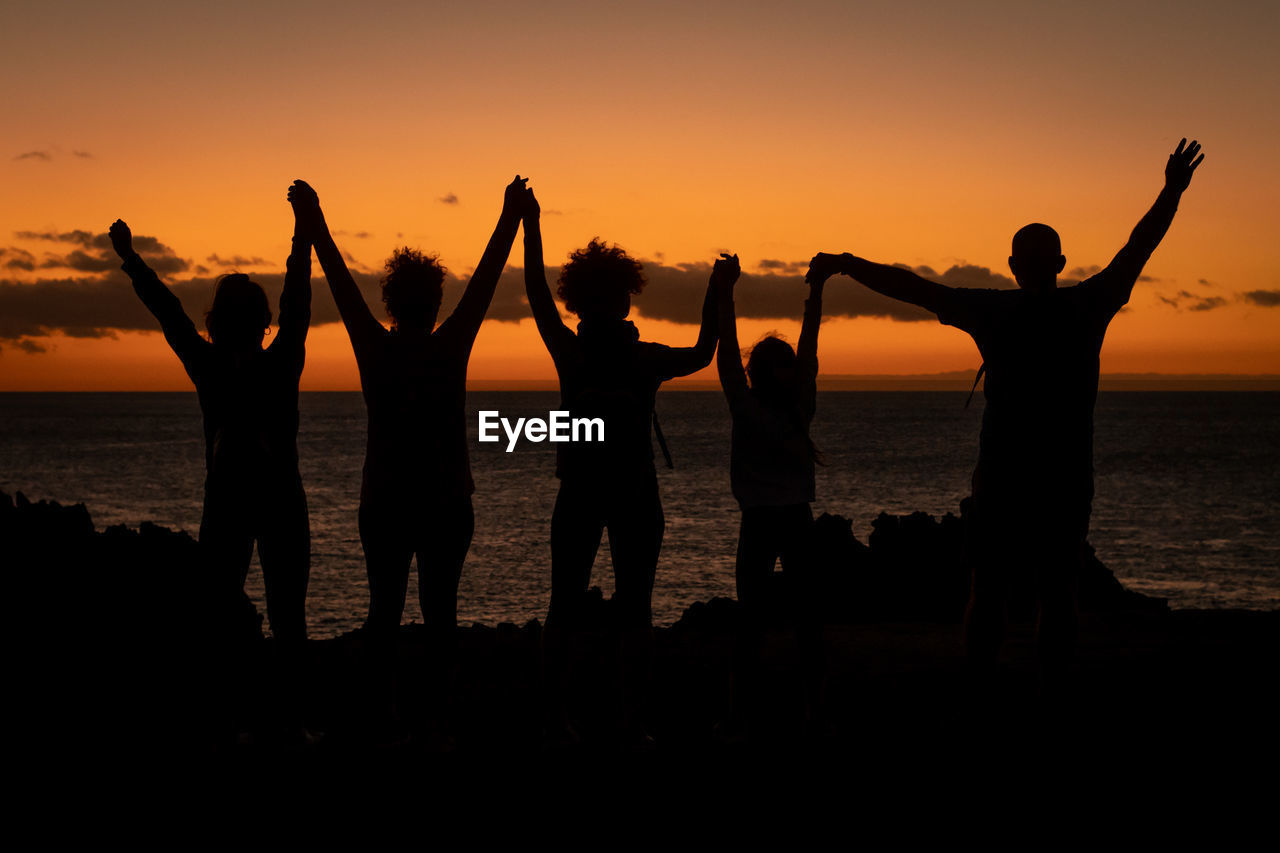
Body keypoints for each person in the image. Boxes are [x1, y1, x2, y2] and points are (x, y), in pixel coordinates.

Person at [809, 139, 1204, 691]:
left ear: (1014, 266)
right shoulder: (1088, 304)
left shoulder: (997, 310)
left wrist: (846, 265)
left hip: (1005, 477)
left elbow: (915, 289)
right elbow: (1138, 248)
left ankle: (979, 686)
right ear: (1060, 264)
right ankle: (1047, 689)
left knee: (990, 589)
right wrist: (1170, 192)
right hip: (1062, 476)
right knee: (1055, 590)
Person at [291, 176, 526, 737]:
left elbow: (342, 283)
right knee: (440, 615)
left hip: (387, 502)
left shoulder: (375, 346)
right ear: (436, 300)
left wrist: (314, 217)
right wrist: (511, 215)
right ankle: (436, 717)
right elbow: (488, 279)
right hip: (444, 501)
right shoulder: (450, 344)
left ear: (392, 301)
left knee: (384, 613)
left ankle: (382, 715)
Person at [109, 185, 313, 731]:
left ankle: (230, 723)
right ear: (260, 322)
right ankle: (281, 725)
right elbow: (297, 303)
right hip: (274, 502)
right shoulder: (277, 362)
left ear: (217, 323)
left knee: (223, 616)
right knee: (282, 618)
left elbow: (170, 313)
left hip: (231, 502)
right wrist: (303, 227)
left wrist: (132, 259)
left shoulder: (210, 364)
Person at [521, 185, 717, 746]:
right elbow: (704, 352)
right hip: (630, 492)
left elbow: (535, 293)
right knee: (634, 607)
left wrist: (531, 226)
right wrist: (716, 292)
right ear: (625, 300)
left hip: (586, 491)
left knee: (570, 603)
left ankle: (560, 718)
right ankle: (631, 722)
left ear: (578, 302)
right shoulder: (640, 355)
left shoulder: (575, 351)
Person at [715, 252, 826, 737]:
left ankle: (795, 713)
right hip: (776, 519)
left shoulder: (785, 404)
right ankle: (764, 713)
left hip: (774, 519)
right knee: (772, 621)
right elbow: (731, 351)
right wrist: (725, 292)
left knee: (778, 621)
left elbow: (807, 345)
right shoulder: (767, 405)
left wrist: (726, 290)